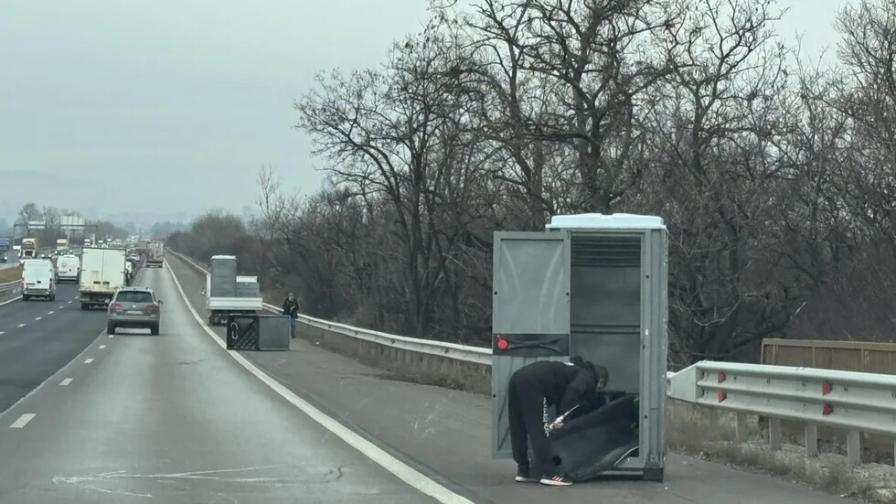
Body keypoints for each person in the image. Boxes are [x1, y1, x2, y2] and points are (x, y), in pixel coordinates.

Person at [507, 357, 608, 487]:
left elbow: (564, 395)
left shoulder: (572, 370)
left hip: (517, 377)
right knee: (539, 429)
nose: (598, 389)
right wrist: (563, 417)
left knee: (518, 426)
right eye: (600, 387)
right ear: (600, 380)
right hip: (534, 384)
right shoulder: (587, 377)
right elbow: (573, 391)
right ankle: (550, 473)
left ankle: (523, 470)